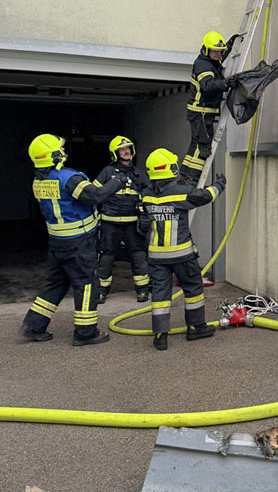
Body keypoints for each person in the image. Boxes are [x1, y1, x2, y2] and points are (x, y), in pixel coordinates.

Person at [20, 134, 126, 346]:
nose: (64, 151)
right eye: (61, 148)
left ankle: (34, 326)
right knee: (87, 285)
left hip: (57, 242)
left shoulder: (38, 180)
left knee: (54, 285)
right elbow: (94, 196)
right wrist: (117, 181)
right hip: (79, 243)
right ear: (54, 155)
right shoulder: (68, 178)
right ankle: (86, 333)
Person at [140, 148, 226, 351]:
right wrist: (220, 184)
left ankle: (160, 335)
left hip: (156, 257)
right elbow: (205, 196)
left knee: (160, 295)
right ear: (171, 169)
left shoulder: (146, 196)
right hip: (182, 255)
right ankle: (196, 328)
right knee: (193, 289)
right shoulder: (181, 192)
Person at [93, 135, 150, 304]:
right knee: (106, 257)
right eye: (122, 150)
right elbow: (93, 194)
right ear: (115, 153)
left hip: (132, 224)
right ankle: (102, 291)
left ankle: (142, 290)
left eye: (128, 149)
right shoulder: (107, 172)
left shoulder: (139, 174)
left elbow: (149, 195)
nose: (127, 152)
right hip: (110, 223)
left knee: (138, 256)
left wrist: (146, 216)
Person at [181, 30, 237, 185]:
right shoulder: (202, 65)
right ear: (206, 50)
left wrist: (230, 45)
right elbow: (207, 86)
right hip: (201, 113)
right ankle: (192, 179)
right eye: (215, 51)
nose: (219, 54)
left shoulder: (210, 61)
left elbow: (218, 59)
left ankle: (185, 175)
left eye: (220, 52)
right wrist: (225, 83)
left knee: (195, 144)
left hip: (204, 113)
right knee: (202, 147)